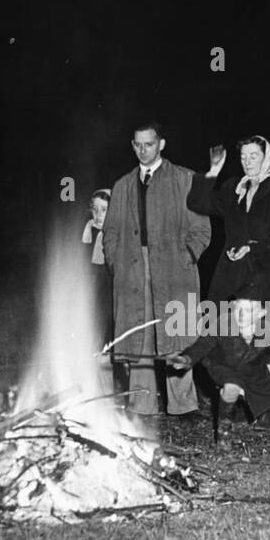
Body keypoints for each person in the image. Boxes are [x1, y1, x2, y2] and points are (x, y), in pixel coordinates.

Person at [102, 121, 211, 419]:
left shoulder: (185, 179)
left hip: (174, 268)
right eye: (137, 145)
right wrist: (115, 261)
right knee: (139, 334)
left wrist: (187, 256)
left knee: (175, 332)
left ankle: (184, 405)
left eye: (149, 144)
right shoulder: (123, 186)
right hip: (132, 267)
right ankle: (141, 404)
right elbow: (110, 232)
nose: (143, 150)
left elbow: (202, 229)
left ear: (161, 144)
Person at [187, 135, 270, 377]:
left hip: (262, 278)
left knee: (262, 350)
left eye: (253, 156)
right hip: (229, 278)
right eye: (243, 156)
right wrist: (213, 171)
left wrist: (253, 249)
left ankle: (265, 395)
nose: (247, 162)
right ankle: (233, 396)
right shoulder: (233, 189)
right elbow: (197, 203)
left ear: (267, 158)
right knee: (225, 348)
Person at [165, 276, 270, 440]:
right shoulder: (221, 324)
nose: (242, 315)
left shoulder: (265, 330)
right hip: (225, 366)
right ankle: (224, 434)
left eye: (249, 311)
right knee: (231, 387)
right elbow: (202, 345)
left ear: (261, 313)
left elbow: (268, 354)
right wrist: (187, 359)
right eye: (238, 309)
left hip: (253, 370)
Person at [82, 188, 114, 347]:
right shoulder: (87, 234)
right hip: (93, 290)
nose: (98, 215)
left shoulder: (120, 237)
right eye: (95, 210)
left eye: (104, 210)